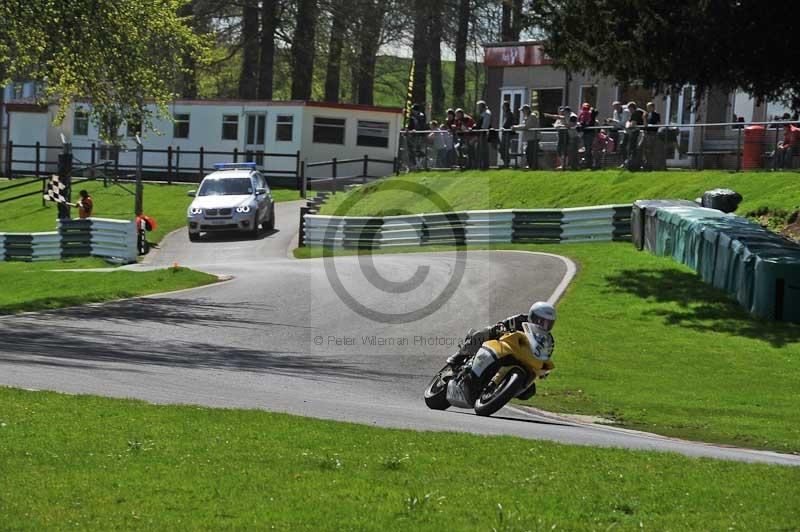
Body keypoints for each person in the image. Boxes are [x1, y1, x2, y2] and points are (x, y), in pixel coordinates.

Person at [445, 302, 557, 400]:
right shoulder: (521, 319)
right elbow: (503, 323)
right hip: (504, 346)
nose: (543, 325)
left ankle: (501, 390)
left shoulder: (548, 339)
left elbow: (545, 355)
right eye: (540, 321)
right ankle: (459, 356)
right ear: (532, 316)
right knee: (486, 332)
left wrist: (543, 369)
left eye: (548, 323)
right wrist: (501, 327)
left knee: (529, 391)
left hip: (524, 359)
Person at [512, 104, 540, 170]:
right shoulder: (527, 116)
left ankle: (534, 167)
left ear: (527, 110)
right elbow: (523, 125)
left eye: (523, 110)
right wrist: (516, 126)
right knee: (528, 153)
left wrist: (516, 127)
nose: (522, 112)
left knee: (531, 153)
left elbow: (527, 126)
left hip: (534, 138)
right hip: (530, 138)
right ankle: (531, 166)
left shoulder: (532, 116)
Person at [622, 101, 645, 170]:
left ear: (632, 108)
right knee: (634, 147)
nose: (629, 111)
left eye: (629, 109)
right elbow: (629, 122)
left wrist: (629, 127)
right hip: (639, 132)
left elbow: (633, 123)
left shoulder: (637, 112)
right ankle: (635, 163)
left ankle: (636, 164)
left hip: (640, 132)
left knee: (635, 148)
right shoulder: (636, 112)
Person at [642, 101, 662, 171]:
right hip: (647, 133)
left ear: (653, 107)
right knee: (646, 149)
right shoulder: (645, 114)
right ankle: (647, 164)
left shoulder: (657, 114)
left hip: (653, 133)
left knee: (652, 149)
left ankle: (653, 165)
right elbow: (645, 125)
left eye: (649, 107)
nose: (648, 108)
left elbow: (658, 123)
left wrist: (653, 126)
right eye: (647, 107)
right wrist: (644, 118)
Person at [578, 103, 596, 168]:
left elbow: (587, 123)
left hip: (589, 133)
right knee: (585, 149)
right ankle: (586, 163)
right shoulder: (582, 114)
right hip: (584, 133)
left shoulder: (590, 114)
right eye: (584, 108)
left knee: (588, 149)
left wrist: (582, 125)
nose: (585, 110)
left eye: (586, 108)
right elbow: (581, 122)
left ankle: (589, 164)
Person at [476, 100, 492, 170]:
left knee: (484, 150)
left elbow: (485, 126)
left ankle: (485, 166)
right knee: (480, 150)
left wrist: (481, 132)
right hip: (481, 134)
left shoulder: (486, 114)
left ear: (482, 106)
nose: (478, 108)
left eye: (479, 107)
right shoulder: (483, 113)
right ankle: (481, 165)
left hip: (484, 134)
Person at [499, 101, 515, 168]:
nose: (502, 108)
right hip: (505, 133)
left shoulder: (509, 114)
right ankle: (506, 162)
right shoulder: (506, 113)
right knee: (502, 148)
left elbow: (507, 123)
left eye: (503, 106)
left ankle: (507, 163)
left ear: (506, 107)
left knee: (504, 148)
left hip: (507, 133)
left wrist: (503, 127)